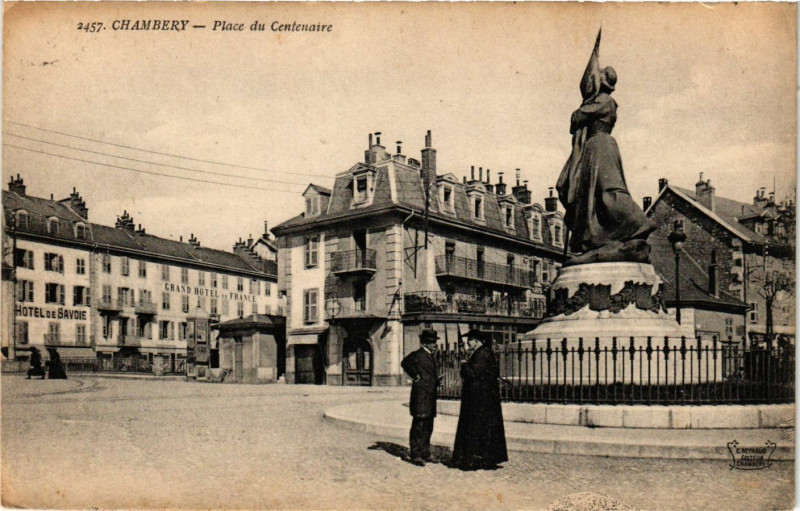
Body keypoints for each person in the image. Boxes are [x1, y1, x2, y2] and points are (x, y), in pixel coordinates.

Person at [556, 30, 655, 261]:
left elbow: (577, 117)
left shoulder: (604, 102)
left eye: (597, 75)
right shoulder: (604, 101)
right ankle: (594, 237)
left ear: (601, 82)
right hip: (597, 148)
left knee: (607, 192)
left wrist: (585, 102)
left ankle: (637, 223)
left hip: (598, 148)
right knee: (588, 195)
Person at [451, 329, 508, 470]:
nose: (468, 343)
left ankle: (472, 460)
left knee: (476, 428)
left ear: (476, 342)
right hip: (481, 398)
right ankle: (480, 458)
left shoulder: (483, 353)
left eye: (470, 340)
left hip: (479, 400)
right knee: (480, 428)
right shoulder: (483, 352)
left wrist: (464, 364)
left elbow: (473, 373)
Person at [401, 328, 440, 466]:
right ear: (425, 343)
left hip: (429, 396)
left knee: (428, 425)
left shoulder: (431, 355)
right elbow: (404, 362)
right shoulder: (418, 354)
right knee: (419, 426)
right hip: (420, 396)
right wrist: (415, 376)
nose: (434, 344)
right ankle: (415, 454)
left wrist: (436, 380)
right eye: (431, 342)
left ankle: (425, 452)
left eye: (434, 341)